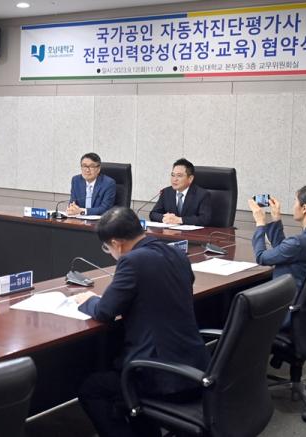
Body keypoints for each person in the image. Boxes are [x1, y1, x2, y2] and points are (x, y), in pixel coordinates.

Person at [73, 207, 210, 437]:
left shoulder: (131, 261)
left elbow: (105, 311)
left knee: (93, 389)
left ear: (116, 243)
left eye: (107, 248)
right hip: (197, 368)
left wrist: (88, 300)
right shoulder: (175, 253)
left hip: (164, 378)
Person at [249, 184, 306, 294]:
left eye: (295, 202)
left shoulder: (298, 243)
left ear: (304, 208)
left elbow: (261, 257)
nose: (293, 206)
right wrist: (276, 219)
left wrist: (260, 223)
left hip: (286, 298)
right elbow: (284, 252)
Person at [149, 158, 212, 226]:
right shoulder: (166, 192)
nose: (174, 179)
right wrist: (164, 218)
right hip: (169, 231)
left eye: (179, 176)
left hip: (191, 232)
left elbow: (204, 219)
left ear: (190, 178)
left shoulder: (202, 195)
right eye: (173, 175)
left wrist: (180, 220)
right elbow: (153, 214)